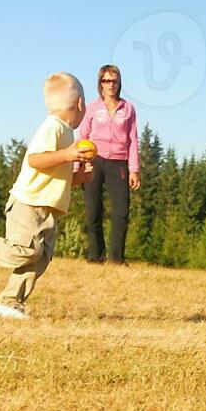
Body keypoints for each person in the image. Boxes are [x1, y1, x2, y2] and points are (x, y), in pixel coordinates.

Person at [0, 72, 92, 318]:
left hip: (47, 207)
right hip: (28, 202)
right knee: (24, 250)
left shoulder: (68, 133)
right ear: (80, 103)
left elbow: (56, 176)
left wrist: (81, 178)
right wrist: (68, 156)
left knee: (40, 258)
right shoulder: (53, 126)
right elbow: (35, 159)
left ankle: (9, 302)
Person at [76, 64, 141, 264]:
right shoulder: (92, 108)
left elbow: (133, 139)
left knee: (121, 211)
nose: (110, 84)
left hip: (119, 163)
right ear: (100, 84)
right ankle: (95, 257)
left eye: (113, 80)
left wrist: (134, 170)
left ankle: (117, 259)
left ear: (119, 83)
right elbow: (82, 136)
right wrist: (77, 166)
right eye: (106, 80)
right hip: (94, 161)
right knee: (93, 210)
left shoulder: (128, 108)